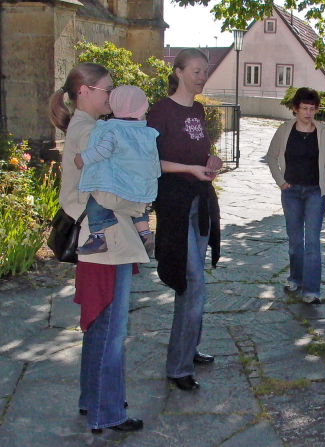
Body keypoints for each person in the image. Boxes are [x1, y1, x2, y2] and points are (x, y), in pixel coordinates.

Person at [48, 63, 146, 433]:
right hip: (106, 242)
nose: (112, 96)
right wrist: (138, 202)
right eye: (108, 89)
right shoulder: (91, 131)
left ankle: (94, 400)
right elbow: (105, 193)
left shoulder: (84, 127)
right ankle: (108, 412)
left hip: (101, 240)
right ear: (85, 91)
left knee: (100, 326)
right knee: (110, 330)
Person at [147, 48, 221, 392]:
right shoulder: (161, 111)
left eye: (205, 71)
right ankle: (178, 366)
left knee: (195, 282)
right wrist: (189, 169)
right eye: (196, 71)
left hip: (200, 202)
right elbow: (151, 161)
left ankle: (188, 349)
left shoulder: (198, 110)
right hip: (175, 206)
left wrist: (209, 161)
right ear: (178, 72)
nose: (202, 77)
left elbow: (198, 153)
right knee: (192, 283)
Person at [266, 87, 325, 304]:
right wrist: (281, 182)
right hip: (291, 193)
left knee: (313, 241)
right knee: (296, 240)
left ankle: (312, 290)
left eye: (312, 109)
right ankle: (295, 278)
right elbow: (271, 157)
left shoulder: (322, 133)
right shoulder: (284, 130)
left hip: (316, 192)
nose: (308, 113)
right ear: (296, 109)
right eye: (304, 108)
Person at [74, 85, 161, 255]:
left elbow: (103, 150)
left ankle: (98, 238)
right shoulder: (148, 134)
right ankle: (145, 234)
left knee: (96, 202)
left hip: (115, 190)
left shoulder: (113, 130)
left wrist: (82, 158)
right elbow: (154, 161)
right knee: (138, 209)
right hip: (140, 191)